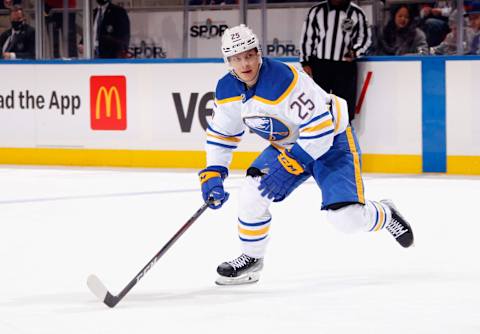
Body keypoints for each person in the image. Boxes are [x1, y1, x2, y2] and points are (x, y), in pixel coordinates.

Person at [199, 24, 414, 286]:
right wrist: (213, 173)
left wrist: (290, 165)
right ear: (228, 61)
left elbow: (320, 130)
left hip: (332, 141)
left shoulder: (283, 80)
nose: (244, 63)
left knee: (346, 219)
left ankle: (386, 213)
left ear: (259, 53)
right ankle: (252, 259)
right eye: (236, 58)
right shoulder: (226, 90)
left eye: (249, 55)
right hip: (288, 145)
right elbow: (221, 134)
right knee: (251, 193)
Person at [299, 0, 371, 123]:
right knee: (319, 105)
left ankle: (344, 139)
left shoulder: (357, 13)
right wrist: (305, 61)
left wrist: (355, 51)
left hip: (345, 66)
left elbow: (364, 38)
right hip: (321, 65)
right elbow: (308, 38)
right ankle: (320, 137)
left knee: (345, 108)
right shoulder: (317, 11)